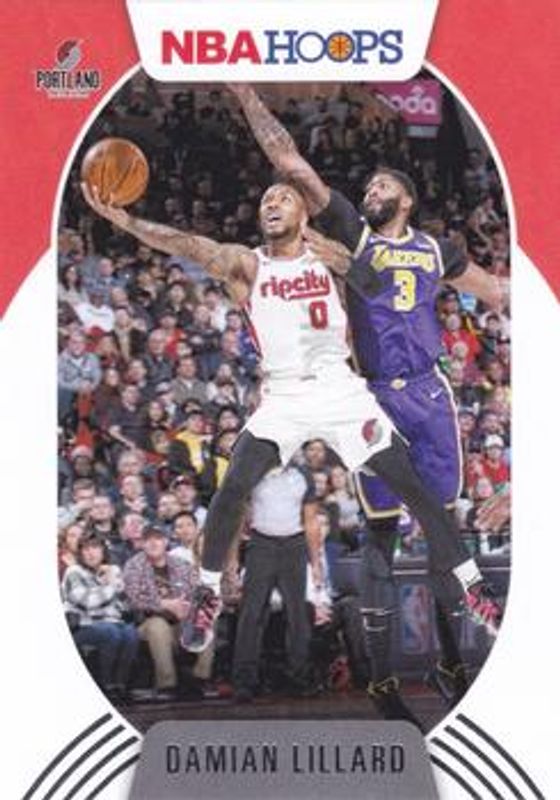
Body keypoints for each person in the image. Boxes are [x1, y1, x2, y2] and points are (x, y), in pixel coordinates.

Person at [82, 162, 501, 681]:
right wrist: (126, 222)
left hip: (342, 390)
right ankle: (207, 594)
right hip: (284, 394)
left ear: (304, 213)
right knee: (235, 484)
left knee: (414, 488)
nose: (272, 204)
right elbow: (185, 244)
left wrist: (348, 263)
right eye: (266, 201)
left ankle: (473, 587)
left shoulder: (331, 258)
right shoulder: (247, 264)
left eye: (283, 197)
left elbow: (380, 292)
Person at [228, 83, 507, 720]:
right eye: (369, 186)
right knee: (381, 536)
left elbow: (496, 292)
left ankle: (452, 663)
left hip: (430, 393)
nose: (372, 191)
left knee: (443, 528)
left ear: (406, 199)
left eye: (383, 186)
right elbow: (292, 162)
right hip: (375, 397)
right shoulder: (353, 236)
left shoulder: (437, 249)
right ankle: (382, 681)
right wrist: (246, 95)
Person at [232, 464, 318, 703]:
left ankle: (299, 678)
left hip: (295, 545)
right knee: (251, 614)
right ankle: (244, 682)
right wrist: (233, 559)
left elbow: (311, 521)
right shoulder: (253, 471)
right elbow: (239, 516)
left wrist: (316, 563)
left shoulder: (303, 474)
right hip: (261, 544)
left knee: (298, 615)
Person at [123, 525, 198, 701]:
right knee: (159, 626)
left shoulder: (181, 565)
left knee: (203, 621)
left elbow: (195, 593)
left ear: (166, 542)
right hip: (146, 623)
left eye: (158, 538)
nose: (153, 543)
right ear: (142, 544)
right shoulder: (134, 565)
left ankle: (201, 679)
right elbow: (133, 600)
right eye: (148, 540)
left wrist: (187, 608)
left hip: (180, 621)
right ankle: (166, 684)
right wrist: (165, 604)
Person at [62, 533, 139, 703]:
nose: (91, 553)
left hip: (113, 623)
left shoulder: (112, 570)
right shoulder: (74, 572)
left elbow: (124, 606)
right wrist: (111, 586)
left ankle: (120, 684)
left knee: (130, 633)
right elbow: (88, 603)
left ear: (103, 551)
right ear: (80, 553)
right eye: (86, 548)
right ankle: (105, 685)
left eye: (95, 548)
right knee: (110, 632)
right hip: (82, 626)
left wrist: (117, 586)